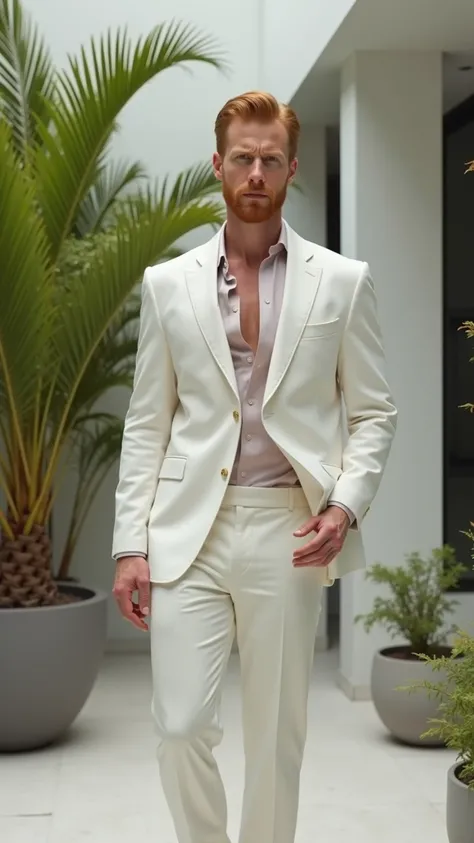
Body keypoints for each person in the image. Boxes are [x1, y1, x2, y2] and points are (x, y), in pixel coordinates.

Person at [111, 90, 397, 843]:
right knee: (179, 725)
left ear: (292, 169)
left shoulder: (341, 279)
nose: (257, 172)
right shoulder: (166, 284)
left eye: (272, 159)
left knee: (276, 739)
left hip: (289, 527)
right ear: (218, 165)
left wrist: (344, 505)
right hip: (187, 535)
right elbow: (148, 422)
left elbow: (373, 412)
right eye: (243, 157)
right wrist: (129, 546)